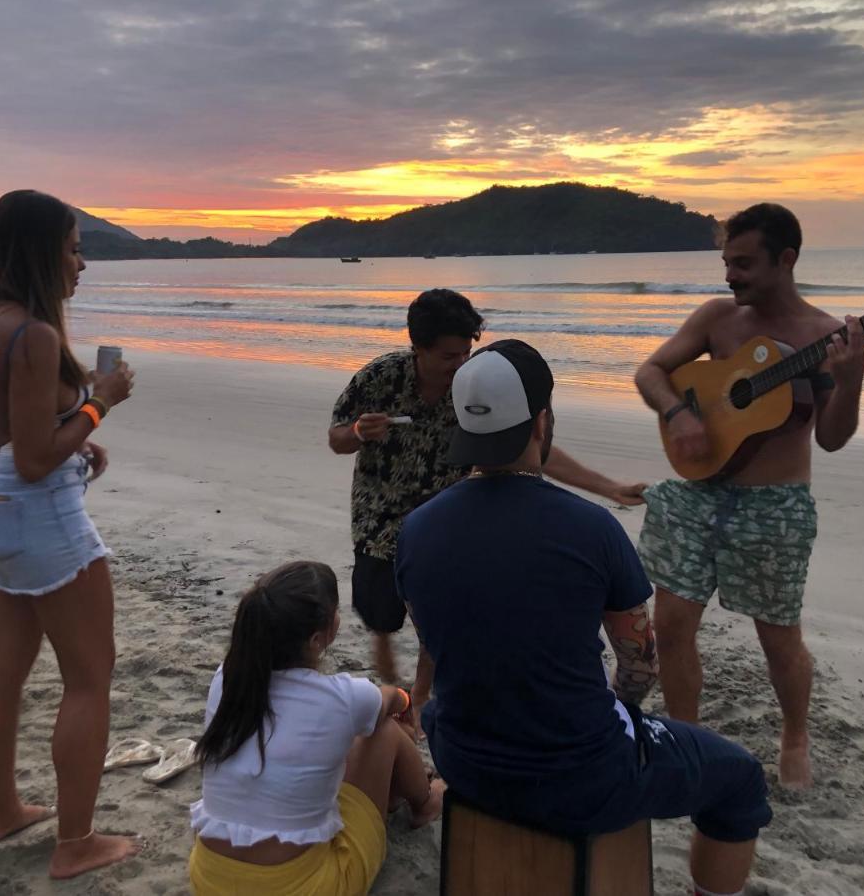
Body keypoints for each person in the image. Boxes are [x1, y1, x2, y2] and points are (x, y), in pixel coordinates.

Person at [397, 340, 771, 896]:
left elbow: (443, 640)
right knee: (740, 779)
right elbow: (641, 665)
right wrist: (621, 707)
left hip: (463, 756)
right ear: (543, 420)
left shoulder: (416, 529)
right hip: (580, 778)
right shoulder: (591, 529)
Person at [633, 203, 864, 788]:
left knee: (778, 634)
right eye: (727, 262)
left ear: (786, 260)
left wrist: (852, 379)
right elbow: (651, 372)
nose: (730, 275)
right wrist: (679, 413)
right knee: (673, 622)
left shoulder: (823, 337)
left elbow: (833, 439)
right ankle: (686, 738)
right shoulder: (718, 319)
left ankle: (795, 733)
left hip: (774, 504)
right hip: (696, 493)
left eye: (744, 263)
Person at [328, 288, 646, 693]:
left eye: (466, 353)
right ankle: (387, 660)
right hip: (379, 513)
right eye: (449, 357)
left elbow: (531, 449)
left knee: (440, 617)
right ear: (418, 348)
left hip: (447, 516)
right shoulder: (379, 378)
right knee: (381, 615)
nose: (461, 365)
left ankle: (424, 698)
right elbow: (336, 439)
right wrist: (358, 432)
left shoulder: (475, 386)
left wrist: (611, 488)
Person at [0, 189, 140, 878]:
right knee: (91, 678)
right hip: (40, 518)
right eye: (72, 247)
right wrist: (99, 403)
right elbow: (35, 459)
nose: (81, 262)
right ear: (41, 251)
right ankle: (76, 844)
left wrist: (73, 430)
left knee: (1, 668)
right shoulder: (32, 333)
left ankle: (0, 812)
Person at [188, 561, 443, 896]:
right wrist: (407, 705)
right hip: (299, 886)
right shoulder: (341, 698)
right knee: (384, 732)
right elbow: (391, 699)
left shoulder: (227, 677)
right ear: (317, 638)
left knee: (349, 732)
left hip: (210, 878)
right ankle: (424, 803)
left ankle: (396, 794)